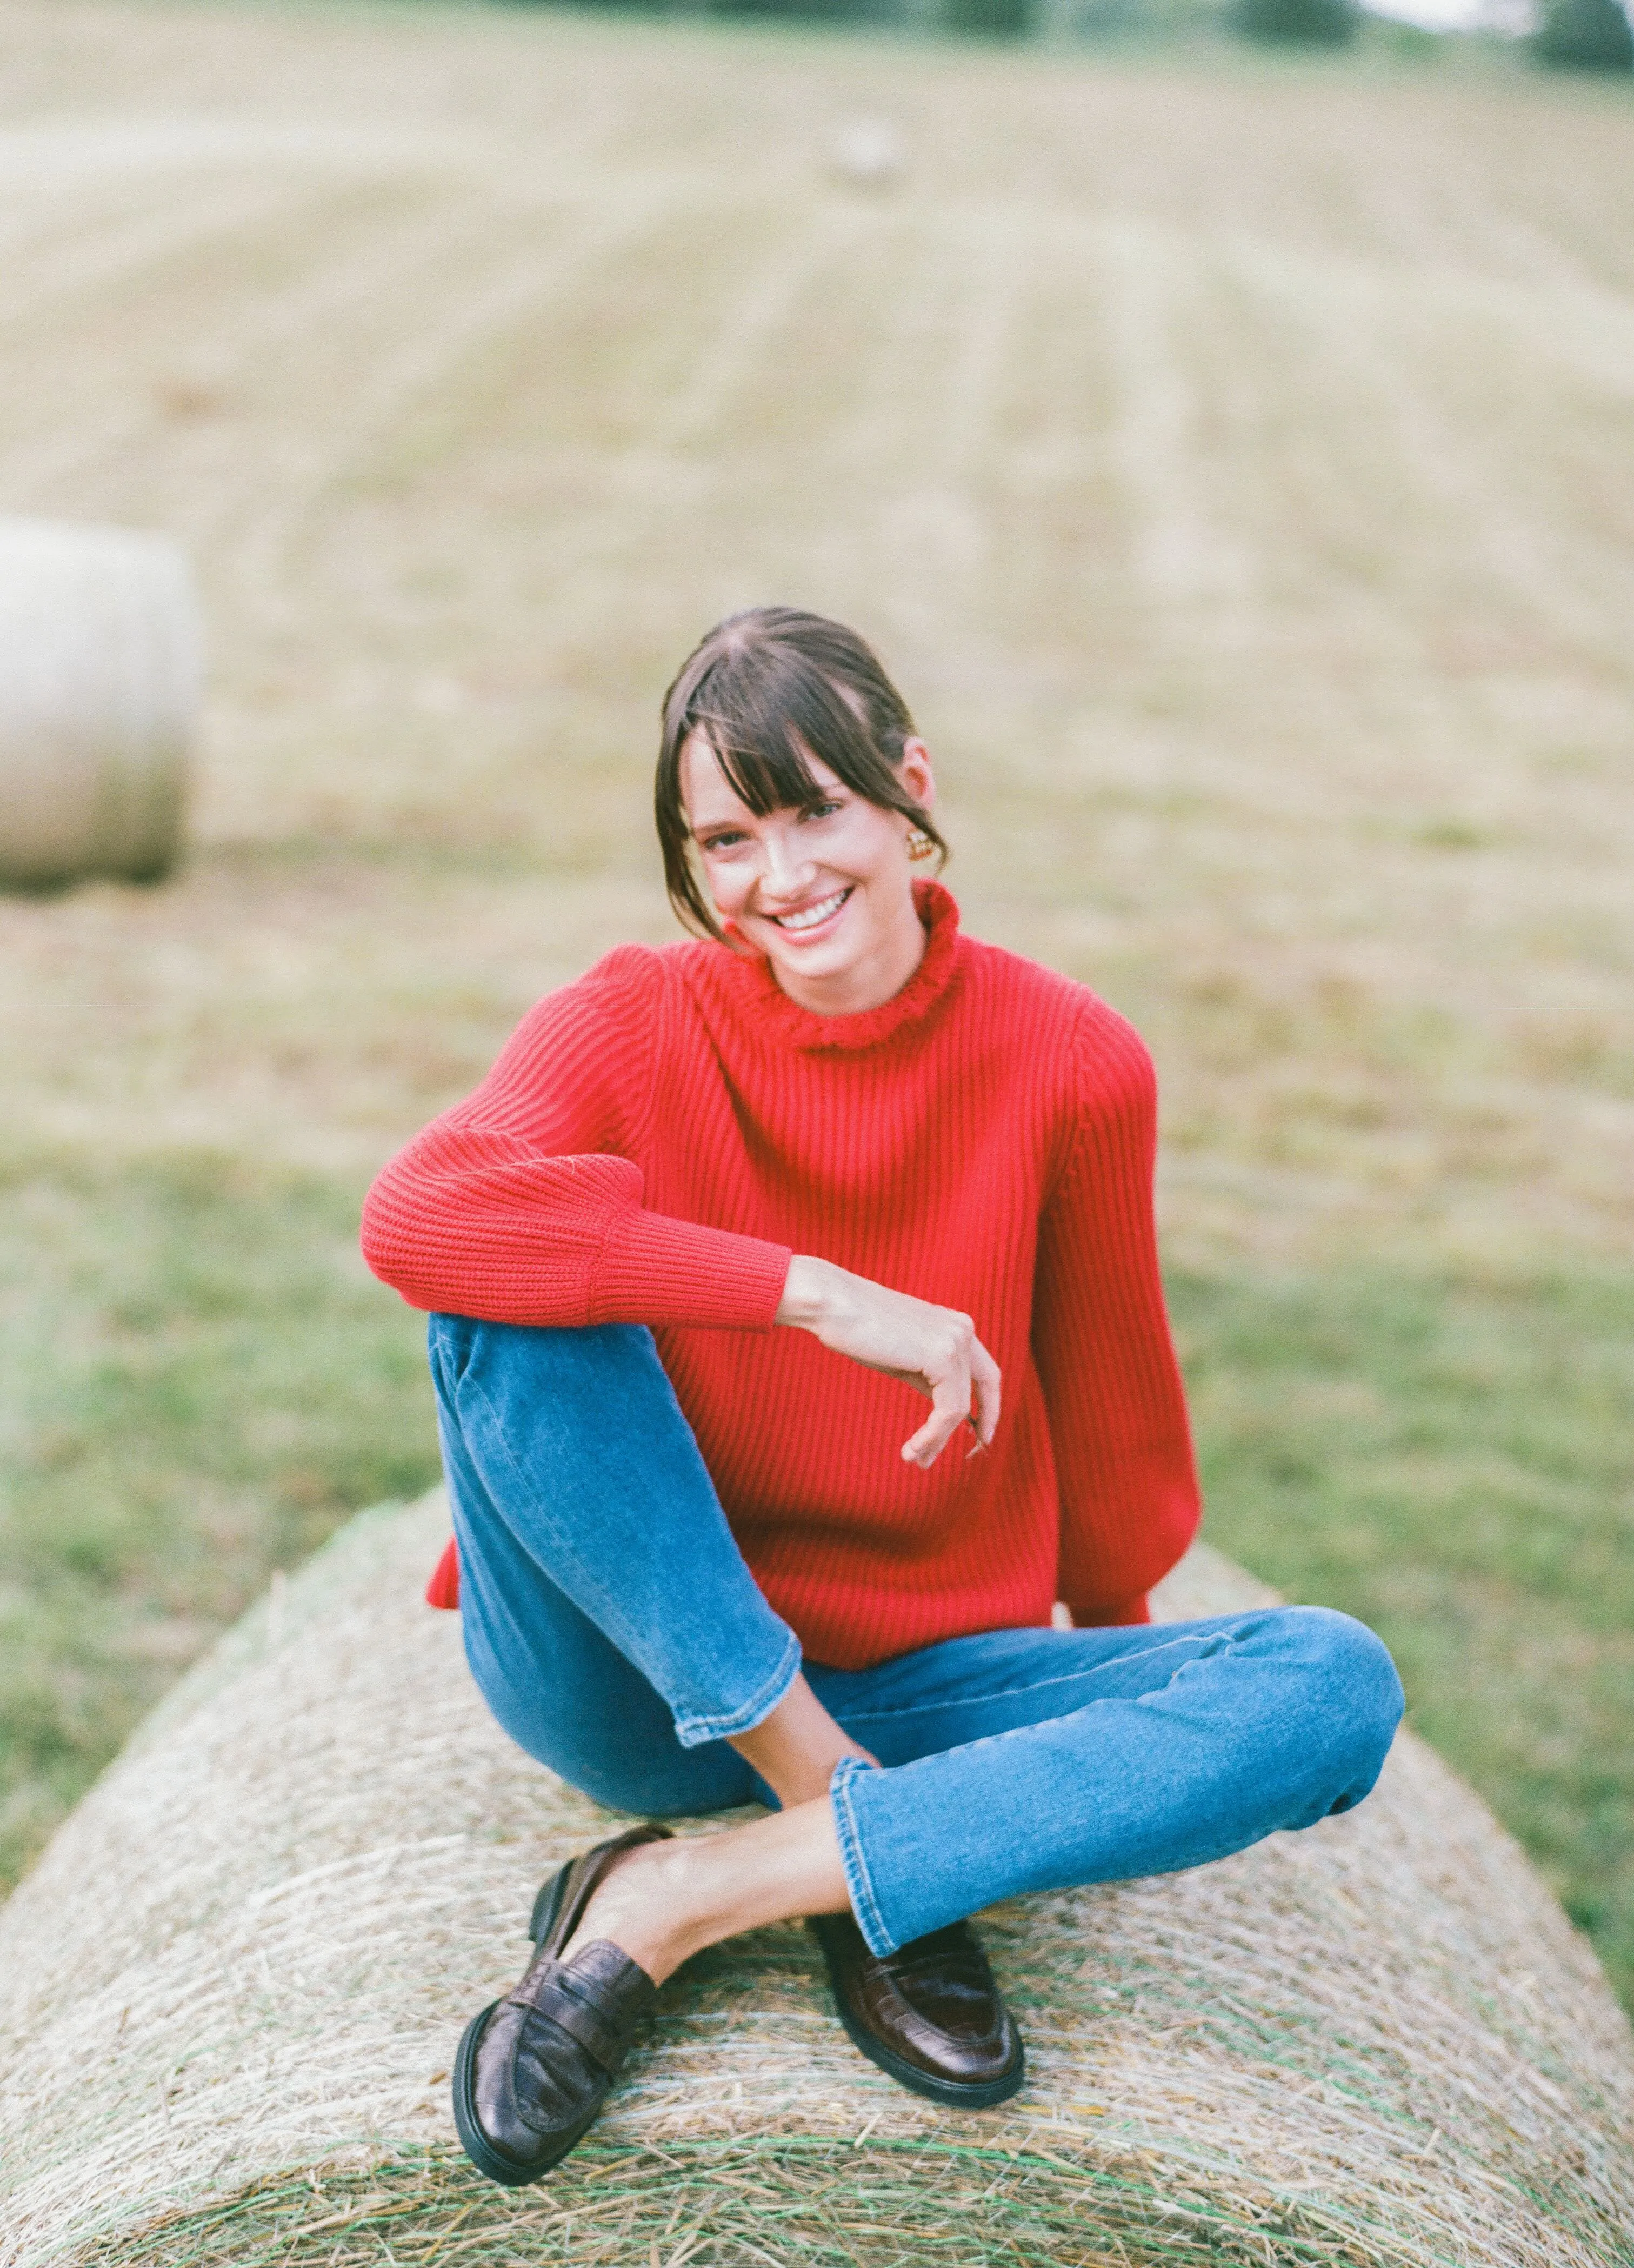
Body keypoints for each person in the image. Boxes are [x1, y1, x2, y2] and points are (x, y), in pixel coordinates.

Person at [361, 607, 1403, 2190]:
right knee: (509, 1291)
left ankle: (689, 1898)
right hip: (633, 1672)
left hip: (921, 1668)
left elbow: (1114, 1424)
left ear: (908, 789)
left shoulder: (1073, 1063)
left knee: (1333, 1683)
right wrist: (819, 1292)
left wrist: (1103, 1706)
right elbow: (415, 1217)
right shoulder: (636, 1018)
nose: (779, 877)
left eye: (814, 810)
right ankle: (842, 1819)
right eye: (725, 837)